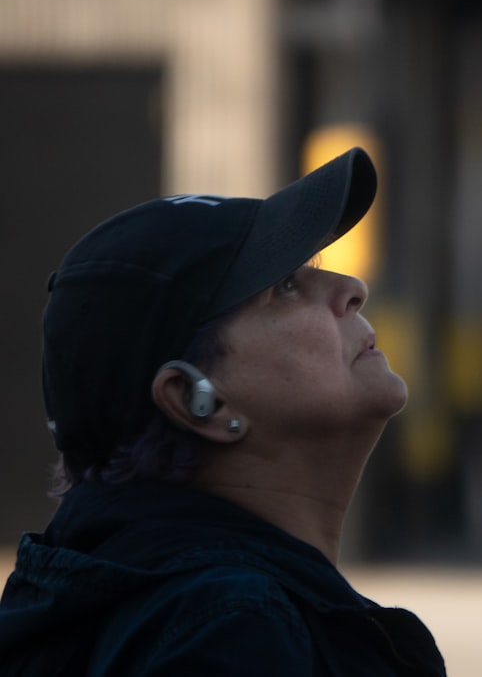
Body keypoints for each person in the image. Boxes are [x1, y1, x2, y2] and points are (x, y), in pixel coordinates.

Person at [0, 147, 447, 676]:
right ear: (196, 401)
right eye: (283, 287)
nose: (352, 288)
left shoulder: (169, 603)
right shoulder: (229, 632)